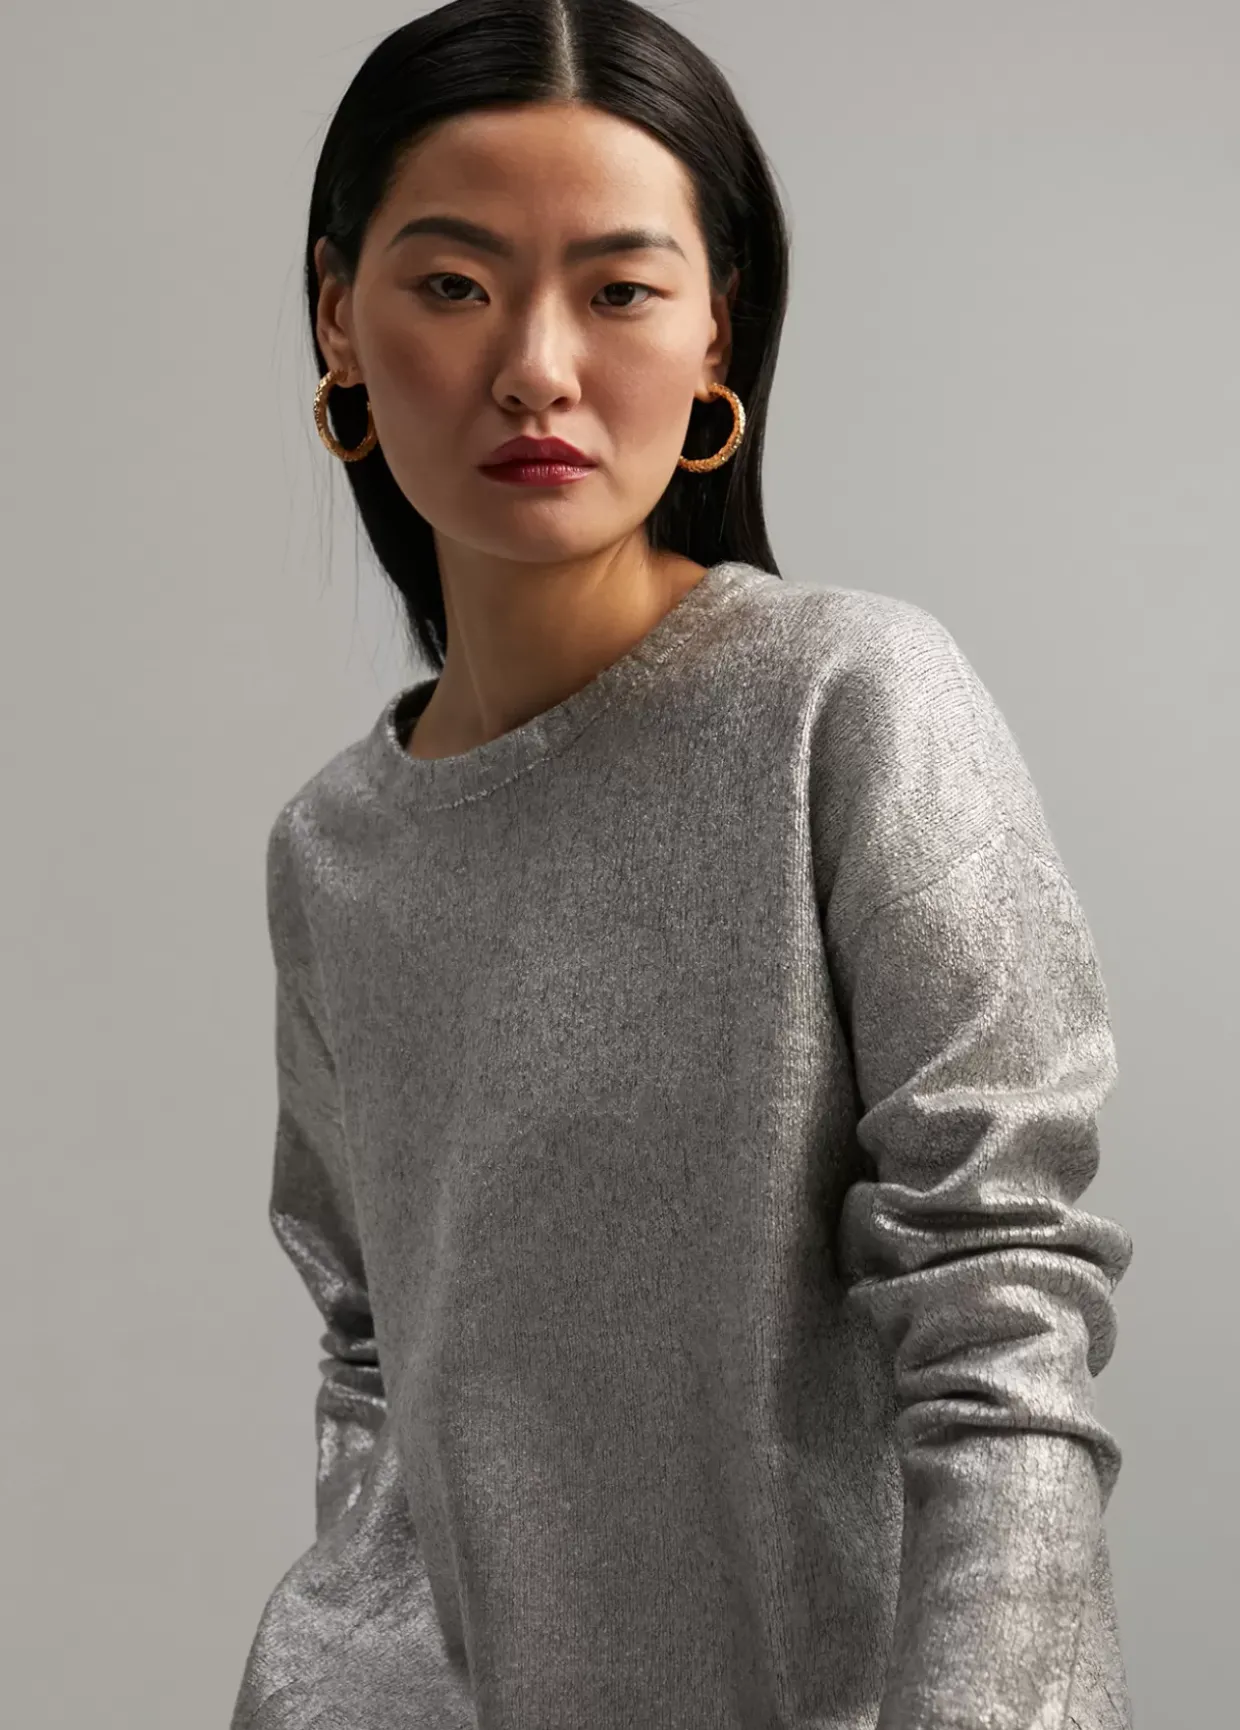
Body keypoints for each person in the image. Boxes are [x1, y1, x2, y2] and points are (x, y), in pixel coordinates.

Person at [230, 2, 1135, 1726]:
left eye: (621, 289)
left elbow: (1005, 1314)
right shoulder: (332, 852)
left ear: (722, 326)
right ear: (339, 314)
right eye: (453, 283)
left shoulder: (846, 703)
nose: (537, 366)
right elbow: (376, 1360)